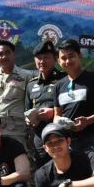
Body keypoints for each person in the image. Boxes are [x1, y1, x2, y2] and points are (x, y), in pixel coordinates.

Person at [53, 39, 94, 166]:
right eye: (63, 58)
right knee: (75, 178)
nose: (67, 61)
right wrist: (61, 123)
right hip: (69, 142)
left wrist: (87, 121)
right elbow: (57, 114)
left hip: (93, 139)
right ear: (58, 61)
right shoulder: (58, 86)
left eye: (71, 56)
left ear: (80, 56)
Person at [25, 40, 65, 168]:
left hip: (61, 135)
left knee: (64, 168)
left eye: (46, 57)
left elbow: (73, 107)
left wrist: (53, 113)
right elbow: (27, 109)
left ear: (55, 59)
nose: (42, 61)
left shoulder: (65, 79)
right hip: (39, 136)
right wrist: (29, 120)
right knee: (43, 170)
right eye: (39, 57)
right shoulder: (31, 84)